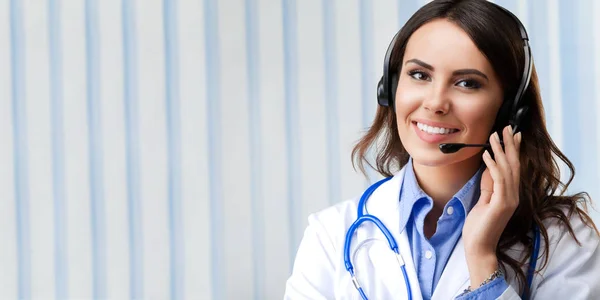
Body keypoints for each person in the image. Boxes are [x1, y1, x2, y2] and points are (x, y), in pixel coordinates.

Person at [283, 0, 600, 299]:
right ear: (391, 88)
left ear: (510, 111)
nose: (435, 103)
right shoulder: (330, 236)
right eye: (419, 75)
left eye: (467, 83)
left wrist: (482, 259)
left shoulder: (564, 240)